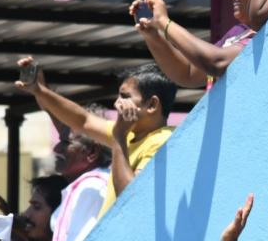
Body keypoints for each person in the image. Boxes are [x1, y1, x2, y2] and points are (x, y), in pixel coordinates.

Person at [16, 58, 176, 216]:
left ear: (152, 105)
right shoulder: (128, 134)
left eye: (125, 97)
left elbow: (131, 198)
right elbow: (82, 121)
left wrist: (118, 137)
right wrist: (40, 91)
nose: (116, 104)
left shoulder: (162, 141)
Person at [130, 0, 257, 88]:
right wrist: (152, 36)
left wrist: (163, 21)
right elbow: (188, 73)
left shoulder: (262, 35)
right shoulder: (238, 32)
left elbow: (216, 62)